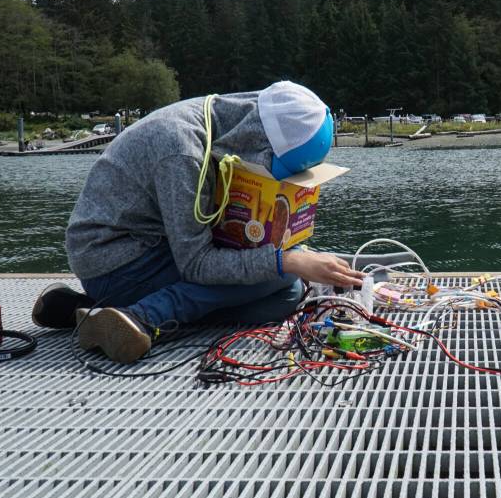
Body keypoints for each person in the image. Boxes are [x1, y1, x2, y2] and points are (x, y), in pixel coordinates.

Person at [32, 81, 364, 363]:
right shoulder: (182, 152)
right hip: (115, 260)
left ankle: (92, 310)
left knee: (284, 295)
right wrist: (288, 259)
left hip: (146, 251)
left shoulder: (215, 119)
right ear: (259, 142)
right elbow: (197, 264)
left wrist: (294, 262)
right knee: (280, 278)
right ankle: (143, 318)